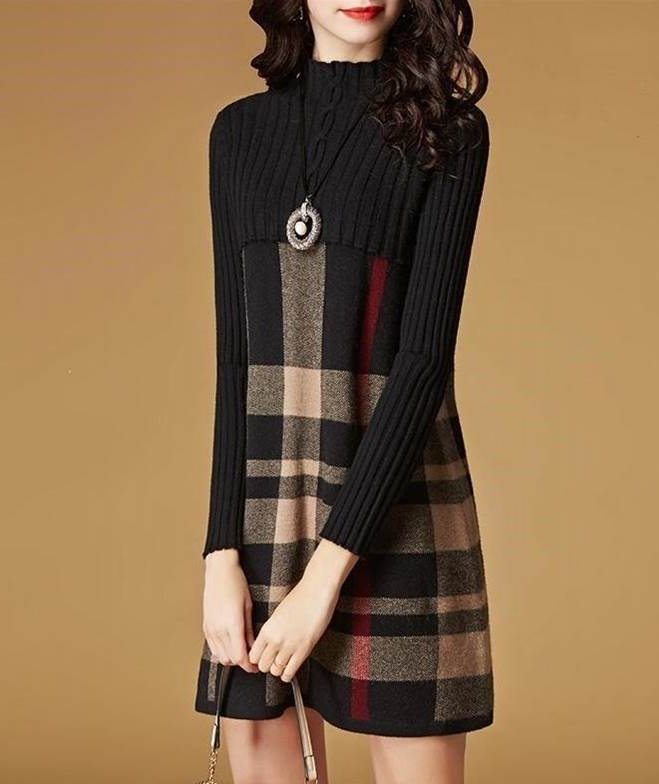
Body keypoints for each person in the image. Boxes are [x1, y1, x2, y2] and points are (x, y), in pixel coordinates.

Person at [194, 1, 493, 781]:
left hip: (397, 507)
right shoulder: (237, 134)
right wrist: (220, 555)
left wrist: (325, 580)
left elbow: (423, 363)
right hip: (270, 515)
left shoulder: (447, 133)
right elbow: (236, 362)